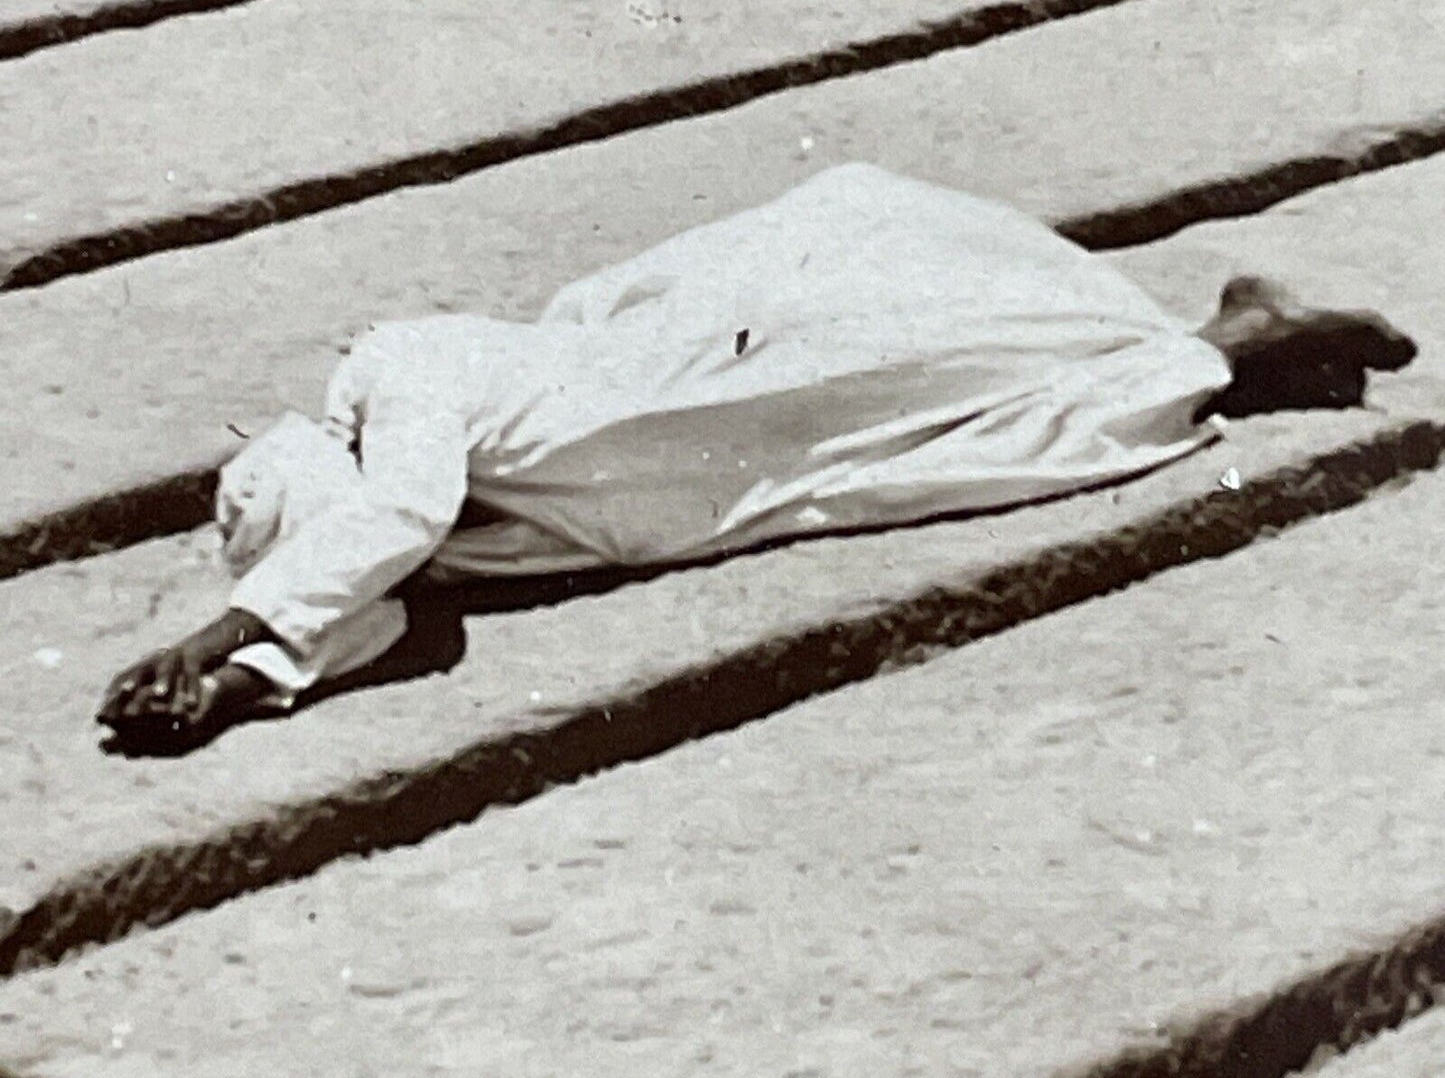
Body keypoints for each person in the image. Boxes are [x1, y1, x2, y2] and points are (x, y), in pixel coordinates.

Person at [97, 164, 1416, 744]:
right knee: (986, 431)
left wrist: (214, 639)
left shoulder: (403, 375)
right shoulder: (445, 549)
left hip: (710, 371)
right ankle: (1230, 340)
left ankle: (1227, 329)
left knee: (957, 349)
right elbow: (368, 602)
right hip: (726, 463)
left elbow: (386, 521)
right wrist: (240, 677)